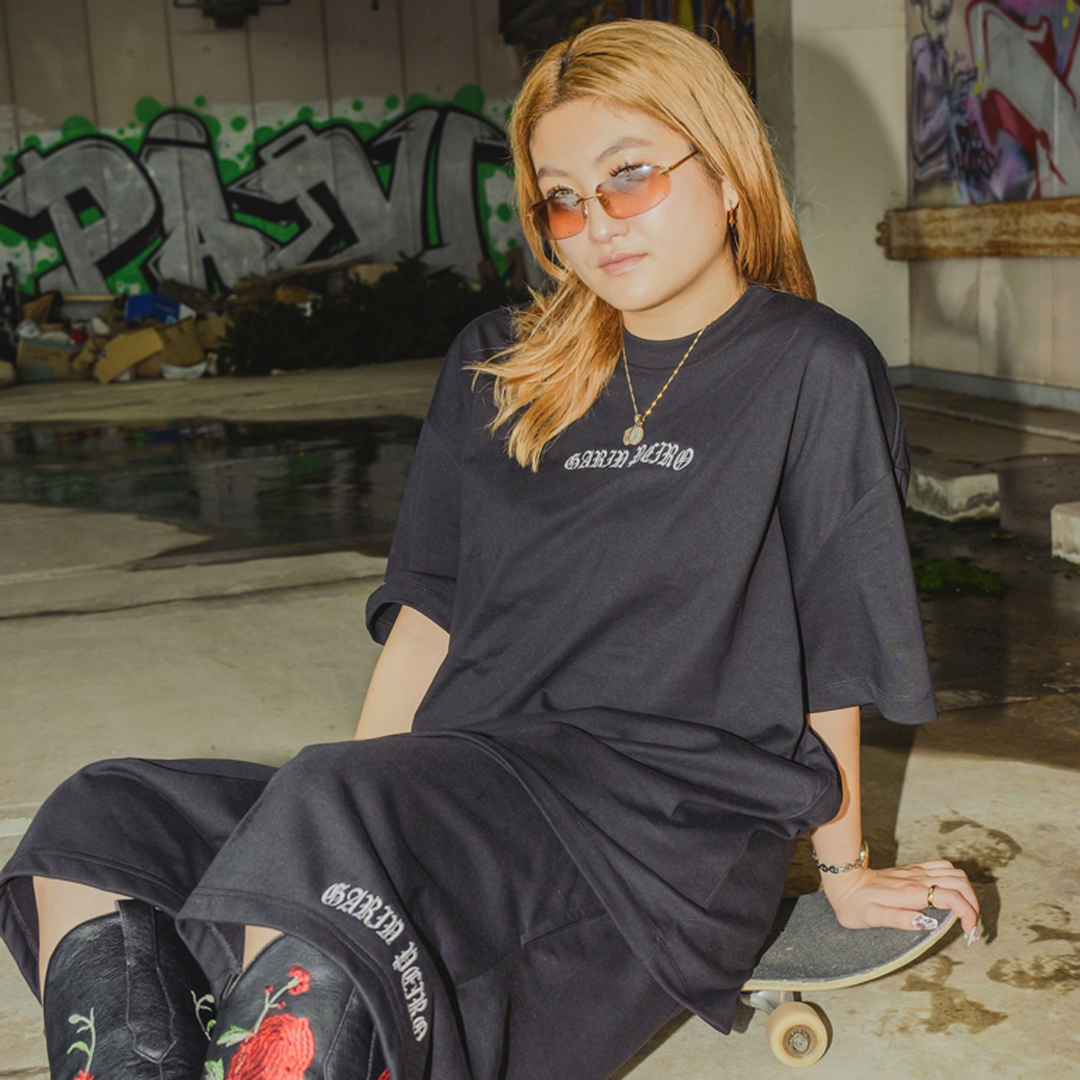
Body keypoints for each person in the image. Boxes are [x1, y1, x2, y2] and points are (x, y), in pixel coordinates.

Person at [1, 20, 980, 1080]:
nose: (597, 224)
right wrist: (338, 813)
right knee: (104, 816)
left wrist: (843, 868)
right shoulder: (500, 364)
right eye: (563, 198)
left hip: (652, 830)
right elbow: (430, 615)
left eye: (630, 177)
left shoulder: (811, 367)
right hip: (465, 793)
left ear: (730, 170)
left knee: (331, 811)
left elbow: (835, 643)